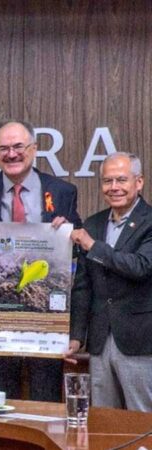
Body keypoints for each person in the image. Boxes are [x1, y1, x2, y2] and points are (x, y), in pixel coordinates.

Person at [0, 120, 81, 402]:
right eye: (3, 148)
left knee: (46, 397)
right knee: (0, 397)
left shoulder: (62, 191)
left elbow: (78, 258)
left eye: (18, 146)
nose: (11, 154)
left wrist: (66, 238)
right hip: (1, 311)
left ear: (34, 149)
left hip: (46, 315)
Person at [70, 152, 152, 412]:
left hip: (139, 340)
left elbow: (141, 267)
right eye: (107, 181)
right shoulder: (93, 223)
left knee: (142, 420)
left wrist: (93, 246)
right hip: (100, 341)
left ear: (138, 182)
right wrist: (76, 336)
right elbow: (83, 287)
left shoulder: (150, 222)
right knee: (104, 419)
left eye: (121, 180)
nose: (114, 188)